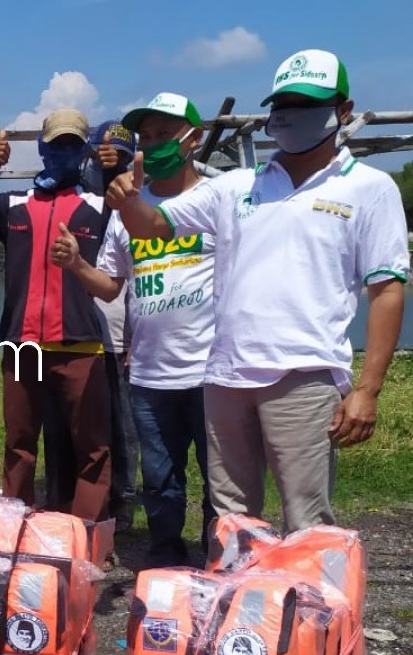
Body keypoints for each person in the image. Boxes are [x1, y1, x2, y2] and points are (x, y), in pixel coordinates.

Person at [108, 50, 408, 532]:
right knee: (231, 519)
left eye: (307, 104)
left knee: (306, 519)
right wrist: (127, 202)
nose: (290, 115)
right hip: (225, 378)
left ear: (343, 112)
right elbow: (153, 227)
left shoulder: (370, 189)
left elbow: (388, 288)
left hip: (303, 375)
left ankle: (311, 606)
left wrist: (368, 389)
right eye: (282, 104)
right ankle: (236, 603)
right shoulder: (236, 186)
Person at [53, 93, 216, 567]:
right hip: (148, 374)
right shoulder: (128, 211)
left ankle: (218, 556)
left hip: (210, 370)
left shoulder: (216, 199)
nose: (154, 144)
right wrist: (76, 263)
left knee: (218, 478)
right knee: (160, 477)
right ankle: (165, 554)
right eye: (147, 137)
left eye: (165, 134)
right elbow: (109, 288)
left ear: (193, 138)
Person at [0, 110, 111, 522]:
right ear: (41, 148)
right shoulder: (13, 205)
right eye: (56, 144)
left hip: (81, 345)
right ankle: (14, 527)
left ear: (86, 150)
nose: (63, 152)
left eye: (72, 144)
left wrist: (117, 164)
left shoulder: (100, 207)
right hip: (22, 345)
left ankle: (87, 535)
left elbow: (135, 201)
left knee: (93, 447)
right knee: (18, 444)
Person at [45, 120, 141, 529]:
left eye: (120, 155)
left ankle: (122, 502)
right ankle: (62, 501)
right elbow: (101, 203)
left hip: (122, 336)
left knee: (122, 429)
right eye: (101, 154)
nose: (110, 162)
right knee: (76, 427)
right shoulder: (84, 207)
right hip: (83, 335)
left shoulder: (138, 208)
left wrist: (137, 340)